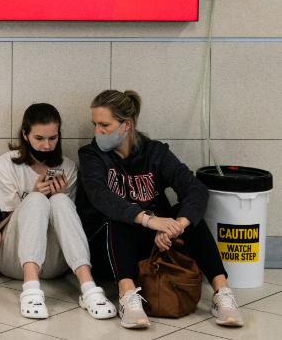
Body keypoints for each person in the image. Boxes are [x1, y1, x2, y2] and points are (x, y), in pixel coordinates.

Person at [77, 89, 243, 330]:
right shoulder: (92, 155)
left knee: (187, 215)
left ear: (127, 125)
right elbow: (102, 198)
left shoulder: (154, 153)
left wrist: (177, 225)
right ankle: (127, 295)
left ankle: (222, 292)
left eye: (104, 125)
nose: (97, 132)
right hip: (108, 246)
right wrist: (149, 221)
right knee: (121, 217)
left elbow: (195, 188)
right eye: (95, 124)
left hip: (157, 241)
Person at [0, 103, 116, 321]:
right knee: (37, 199)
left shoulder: (67, 167)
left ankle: (88, 288)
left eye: (53, 138)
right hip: (13, 258)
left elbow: (71, 224)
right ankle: (30, 289)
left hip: (55, 262)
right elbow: (8, 218)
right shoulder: (5, 164)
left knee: (60, 200)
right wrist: (32, 194)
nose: (47, 145)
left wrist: (62, 195)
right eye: (39, 138)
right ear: (25, 135)